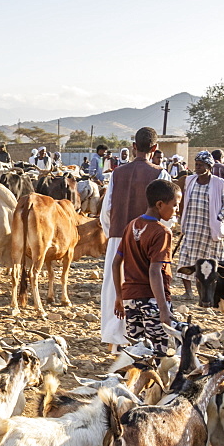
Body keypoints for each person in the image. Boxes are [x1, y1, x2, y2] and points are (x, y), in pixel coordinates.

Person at [98, 126, 170, 348]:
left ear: (133, 147)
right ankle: (142, 341)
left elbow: (106, 212)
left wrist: (115, 234)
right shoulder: (160, 174)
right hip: (148, 240)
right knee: (145, 286)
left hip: (119, 237)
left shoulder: (117, 173)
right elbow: (165, 213)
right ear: (155, 148)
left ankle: (118, 341)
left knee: (116, 288)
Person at [111, 179, 181, 354]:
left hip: (130, 299)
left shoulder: (131, 225)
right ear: (160, 204)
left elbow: (116, 263)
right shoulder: (162, 232)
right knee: (158, 351)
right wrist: (163, 309)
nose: (177, 210)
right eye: (175, 205)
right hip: (152, 300)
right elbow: (155, 271)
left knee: (138, 352)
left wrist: (119, 296)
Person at [174, 151, 224, 297]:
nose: (197, 167)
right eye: (196, 164)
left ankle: (212, 293)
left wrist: (220, 219)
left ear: (209, 166)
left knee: (213, 262)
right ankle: (188, 292)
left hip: (211, 230)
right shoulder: (190, 181)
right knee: (187, 259)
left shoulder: (219, 184)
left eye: (201, 165)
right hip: (192, 227)